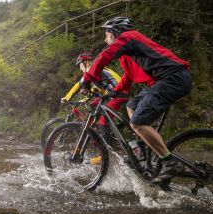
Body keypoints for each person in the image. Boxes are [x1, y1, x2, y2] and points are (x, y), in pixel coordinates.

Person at [80, 17, 192, 183]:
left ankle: (170, 162)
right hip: (163, 82)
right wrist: (113, 93)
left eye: (107, 35)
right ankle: (146, 145)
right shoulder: (128, 55)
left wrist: (88, 77)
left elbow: (106, 55)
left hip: (172, 79)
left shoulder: (130, 37)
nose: (105, 39)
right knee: (132, 105)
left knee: (137, 122)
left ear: (116, 33)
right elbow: (128, 76)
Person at [61, 51, 128, 164]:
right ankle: (102, 129)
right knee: (93, 105)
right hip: (111, 93)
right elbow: (94, 90)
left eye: (80, 65)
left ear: (86, 62)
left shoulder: (93, 68)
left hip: (118, 94)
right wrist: (84, 100)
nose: (80, 68)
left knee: (103, 121)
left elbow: (79, 84)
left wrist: (67, 98)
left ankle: (105, 153)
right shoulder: (97, 69)